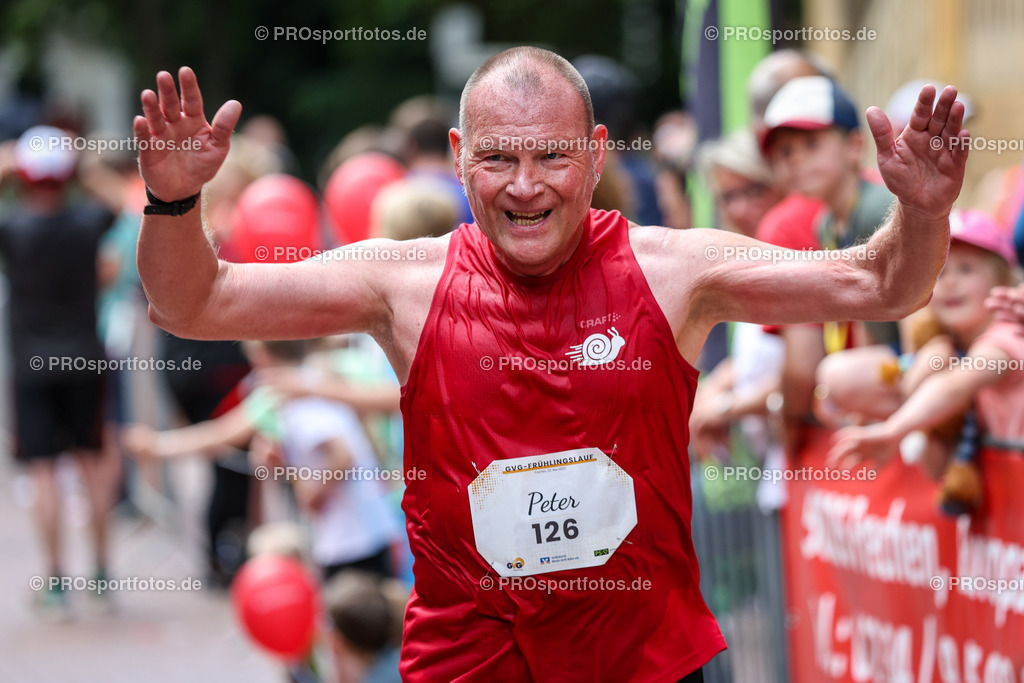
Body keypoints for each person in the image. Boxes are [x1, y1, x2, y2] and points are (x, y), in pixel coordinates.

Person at [132, 47, 967, 681]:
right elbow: (195, 303)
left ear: (597, 154)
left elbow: (881, 283)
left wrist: (921, 211)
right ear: (460, 154)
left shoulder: (676, 270)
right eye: (498, 158)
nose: (525, 186)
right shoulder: (402, 283)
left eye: (551, 157)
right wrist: (172, 202)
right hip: (468, 664)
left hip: (648, 662)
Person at [125, 340, 403, 580]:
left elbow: (342, 455)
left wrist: (310, 491)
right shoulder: (323, 375)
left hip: (355, 537)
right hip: (370, 524)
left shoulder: (291, 394)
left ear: (262, 357)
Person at [0, 125, 119, 616]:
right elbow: (125, 199)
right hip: (85, 359)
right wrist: (82, 166)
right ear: (68, 175)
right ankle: (100, 571)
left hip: (31, 366)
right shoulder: (89, 221)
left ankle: (55, 579)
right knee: (92, 463)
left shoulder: (11, 228)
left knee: (44, 470)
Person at [828, 212, 1021, 512]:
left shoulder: (1009, 336)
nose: (951, 283)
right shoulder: (944, 351)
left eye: (967, 269)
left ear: (1004, 280)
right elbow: (936, 469)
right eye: (940, 273)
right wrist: (918, 388)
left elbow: (957, 385)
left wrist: (895, 430)